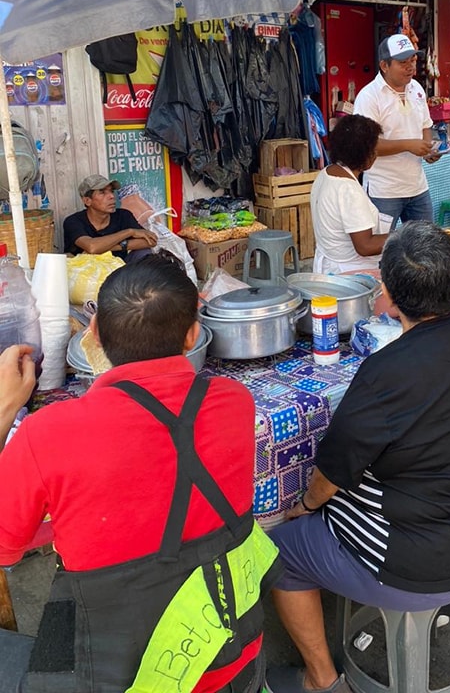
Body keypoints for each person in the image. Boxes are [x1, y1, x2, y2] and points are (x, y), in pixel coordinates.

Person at [264, 221, 450, 693]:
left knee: (280, 552)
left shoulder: (384, 373)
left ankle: (321, 680)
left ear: (384, 292)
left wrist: (304, 507)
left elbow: (332, 474)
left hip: (419, 563)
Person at [0, 255, 281, 693]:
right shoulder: (234, 400)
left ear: (92, 336)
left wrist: (4, 409)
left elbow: (5, 548)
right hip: (237, 659)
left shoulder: (48, 433)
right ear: (193, 334)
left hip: (133, 678)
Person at [352, 34, 440, 225]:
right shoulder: (369, 97)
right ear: (384, 66)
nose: (410, 67)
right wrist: (409, 145)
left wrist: (428, 149)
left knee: (425, 247)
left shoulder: (416, 88)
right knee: (382, 249)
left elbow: (426, 125)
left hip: (417, 187)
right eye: (402, 62)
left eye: (413, 60)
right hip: (383, 190)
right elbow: (368, 145)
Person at [310, 114, 391, 274]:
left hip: (332, 267)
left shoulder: (326, 172)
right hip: (350, 275)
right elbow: (365, 246)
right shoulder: (348, 190)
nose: (376, 154)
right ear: (363, 154)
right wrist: (405, 236)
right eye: (373, 150)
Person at [63, 173, 157, 260]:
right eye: (102, 192)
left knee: (144, 253)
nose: (112, 196)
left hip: (119, 272)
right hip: (87, 273)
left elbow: (151, 241)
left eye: (111, 191)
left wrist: (109, 247)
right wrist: (129, 232)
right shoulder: (73, 221)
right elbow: (92, 247)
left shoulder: (123, 215)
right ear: (87, 201)